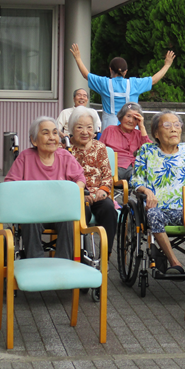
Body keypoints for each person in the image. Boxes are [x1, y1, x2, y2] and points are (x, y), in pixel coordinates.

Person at [130, 110, 185, 275]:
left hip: (184, 210)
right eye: (167, 125)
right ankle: (174, 261)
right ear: (156, 132)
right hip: (158, 210)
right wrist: (146, 191)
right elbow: (135, 180)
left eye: (177, 125)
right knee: (153, 215)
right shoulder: (147, 151)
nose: (174, 129)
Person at [4, 117, 86, 260]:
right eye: (46, 133)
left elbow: (80, 178)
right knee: (29, 220)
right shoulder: (25, 157)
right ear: (34, 140)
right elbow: (10, 184)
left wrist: (75, 189)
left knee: (70, 220)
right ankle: (35, 263)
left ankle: (63, 264)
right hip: (35, 211)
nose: (52, 137)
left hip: (61, 210)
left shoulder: (65, 156)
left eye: (55, 133)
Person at [70, 44, 175, 129]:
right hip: (130, 125)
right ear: (125, 72)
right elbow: (154, 80)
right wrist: (167, 65)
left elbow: (86, 75)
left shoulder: (104, 83)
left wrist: (78, 58)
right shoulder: (134, 84)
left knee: (111, 153)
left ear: (110, 69)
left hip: (109, 126)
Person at [68, 106, 119, 260]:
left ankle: (105, 256)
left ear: (95, 129)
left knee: (109, 210)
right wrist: (80, 195)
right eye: (80, 127)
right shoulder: (66, 149)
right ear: (72, 128)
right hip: (75, 197)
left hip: (98, 195)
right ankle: (79, 255)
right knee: (83, 212)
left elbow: (107, 176)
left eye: (89, 127)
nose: (85, 132)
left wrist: (102, 191)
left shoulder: (100, 147)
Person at [99, 102, 152, 181]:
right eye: (128, 116)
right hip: (114, 169)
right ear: (121, 116)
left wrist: (142, 126)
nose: (131, 121)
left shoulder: (139, 134)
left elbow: (150, 152)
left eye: (135, 118)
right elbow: (98, 151)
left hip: (134, 169)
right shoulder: (110, 130)